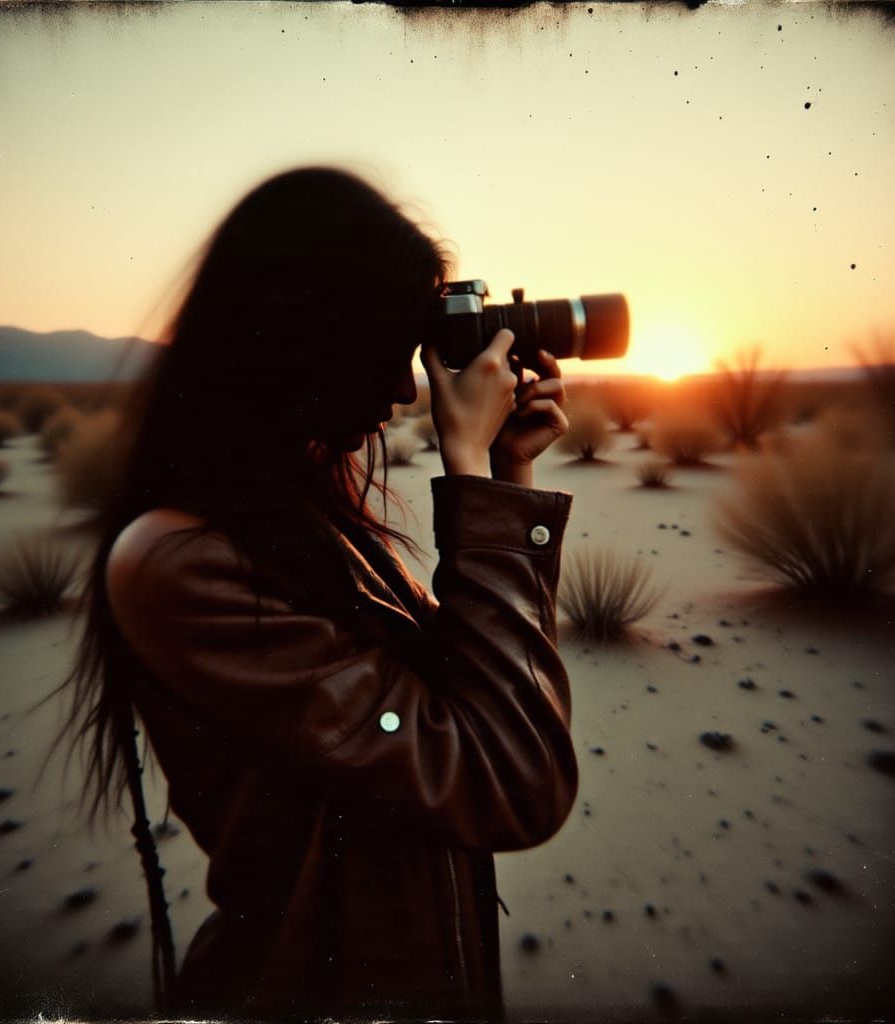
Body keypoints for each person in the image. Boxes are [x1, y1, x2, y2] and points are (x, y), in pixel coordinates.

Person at [57, 166, 578, 1022]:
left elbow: (468, 699)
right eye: (387, 346)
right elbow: (503, 775)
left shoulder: (302, 519)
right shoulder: (176, 565)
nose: (406, 389)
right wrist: (474, 481)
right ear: (304, 336)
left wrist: (507, 473)